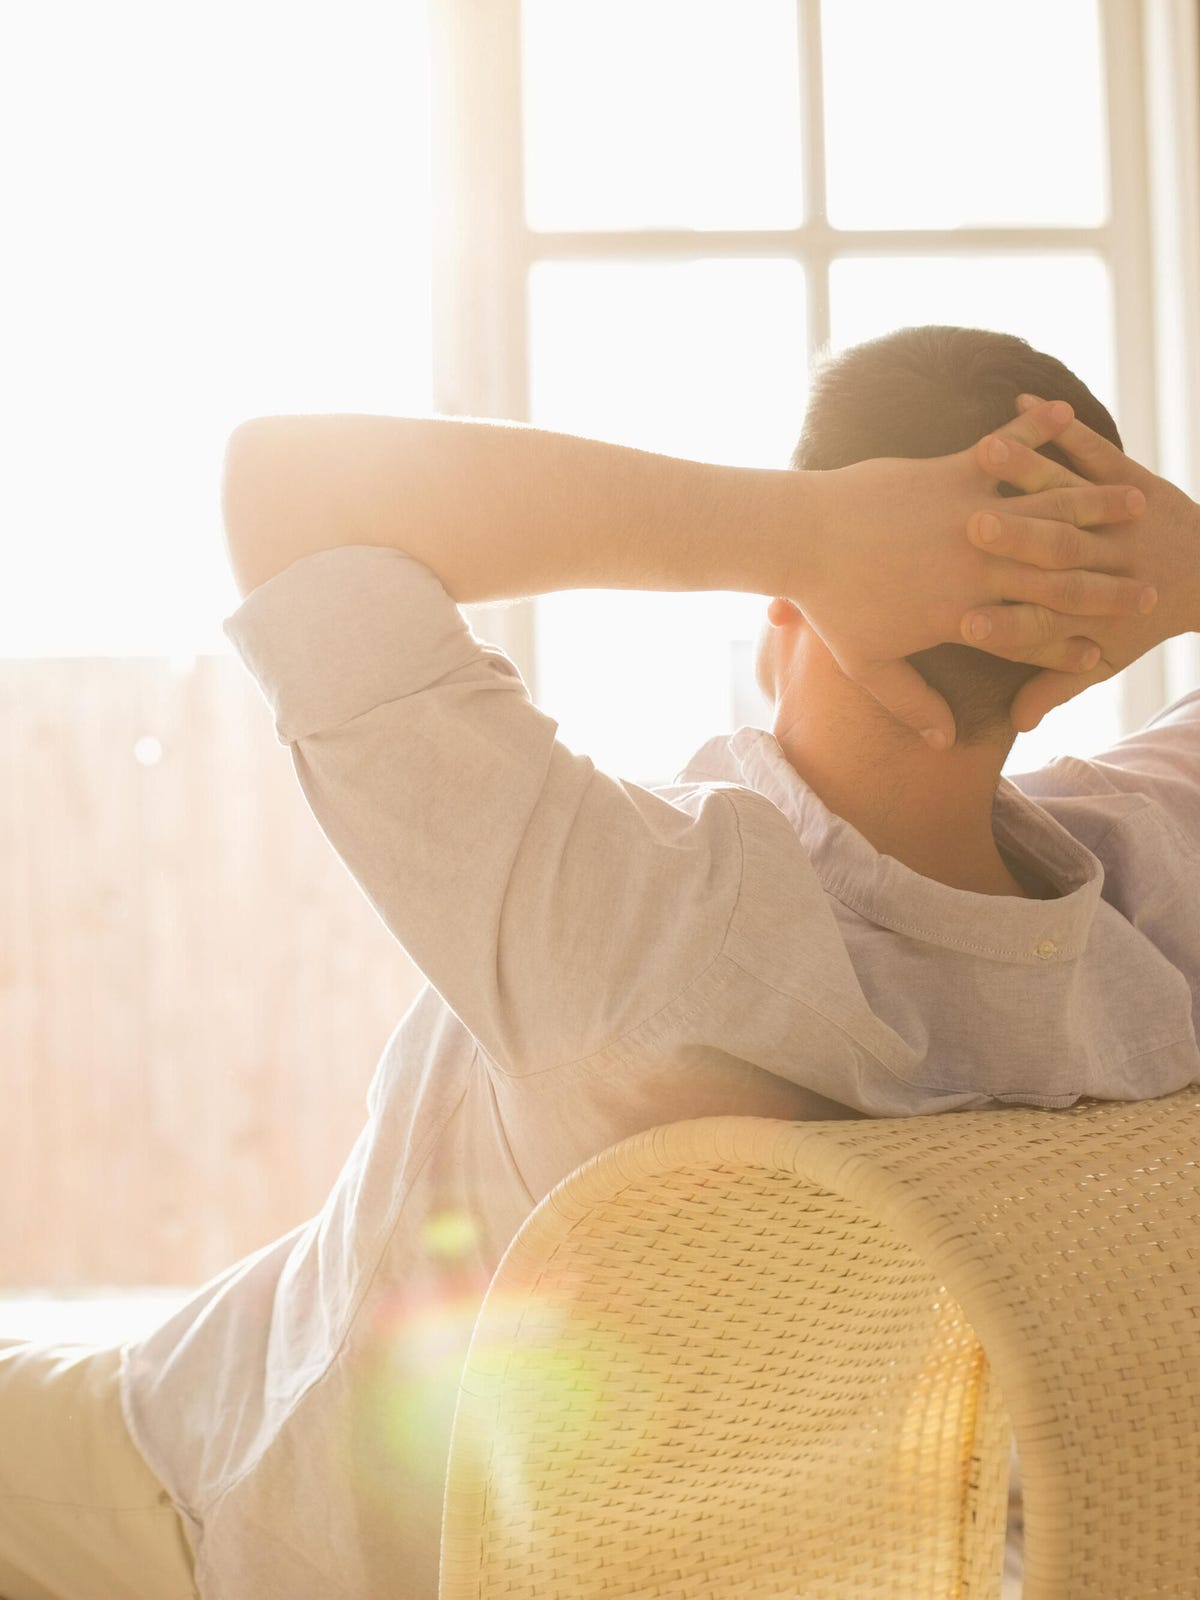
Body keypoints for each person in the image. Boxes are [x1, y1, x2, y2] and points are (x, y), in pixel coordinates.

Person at [2, 325, 1197, 1600]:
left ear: (793, 607)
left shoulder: (643, 930)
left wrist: (796, 528)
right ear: (1080, 653)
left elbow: (283, 481)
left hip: (203, 1488)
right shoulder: (1143, 908)